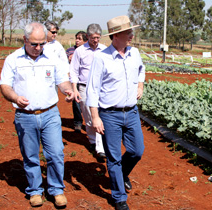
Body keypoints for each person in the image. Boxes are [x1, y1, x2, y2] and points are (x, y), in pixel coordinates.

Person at [0, 22, 74, 207]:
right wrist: (15, 97)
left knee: (56, 153)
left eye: (42, 43)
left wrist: (68, 90)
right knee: (31, 155)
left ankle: (56, 189)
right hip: (25, 116)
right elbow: (4, 85)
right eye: (34, 44)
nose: (38, 48)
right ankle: (35, 190)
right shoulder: (13, 59)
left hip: (50, 114)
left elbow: (62, 81)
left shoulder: (51, 58)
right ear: (25, 40)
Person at [86, 15, 145, 210]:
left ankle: (122, 174)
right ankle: (119, 197)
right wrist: (95, 117)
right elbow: (92, 89)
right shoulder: (101, 58)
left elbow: (141, 69)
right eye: (129, 32)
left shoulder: (134, 53)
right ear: (116, 35)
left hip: (132, 112)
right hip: (109, 115)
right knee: (113, 157)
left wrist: (141, 85)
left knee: (137, 150)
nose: (132, 35)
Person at [69, 24, 106, 158]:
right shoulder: (80, 51)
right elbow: (73, 71)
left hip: (101, 88)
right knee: (89, 116)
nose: (96, 40)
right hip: (84, 87)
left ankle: (100, 147)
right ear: (87, 36)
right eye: (93, 38)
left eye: (98, 37)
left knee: (99, 115)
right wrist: (75, 89)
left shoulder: (104, 50)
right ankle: (92, 140)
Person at [66, 31, 88, 132]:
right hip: (75, 80)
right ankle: (78, 123)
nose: (77, 41)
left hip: (86, 80)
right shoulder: (70, 50)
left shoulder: (88, 50)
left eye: (79, 39)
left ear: (85, 40)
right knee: (77, 102)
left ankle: (89, 123)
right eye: (76, 38)